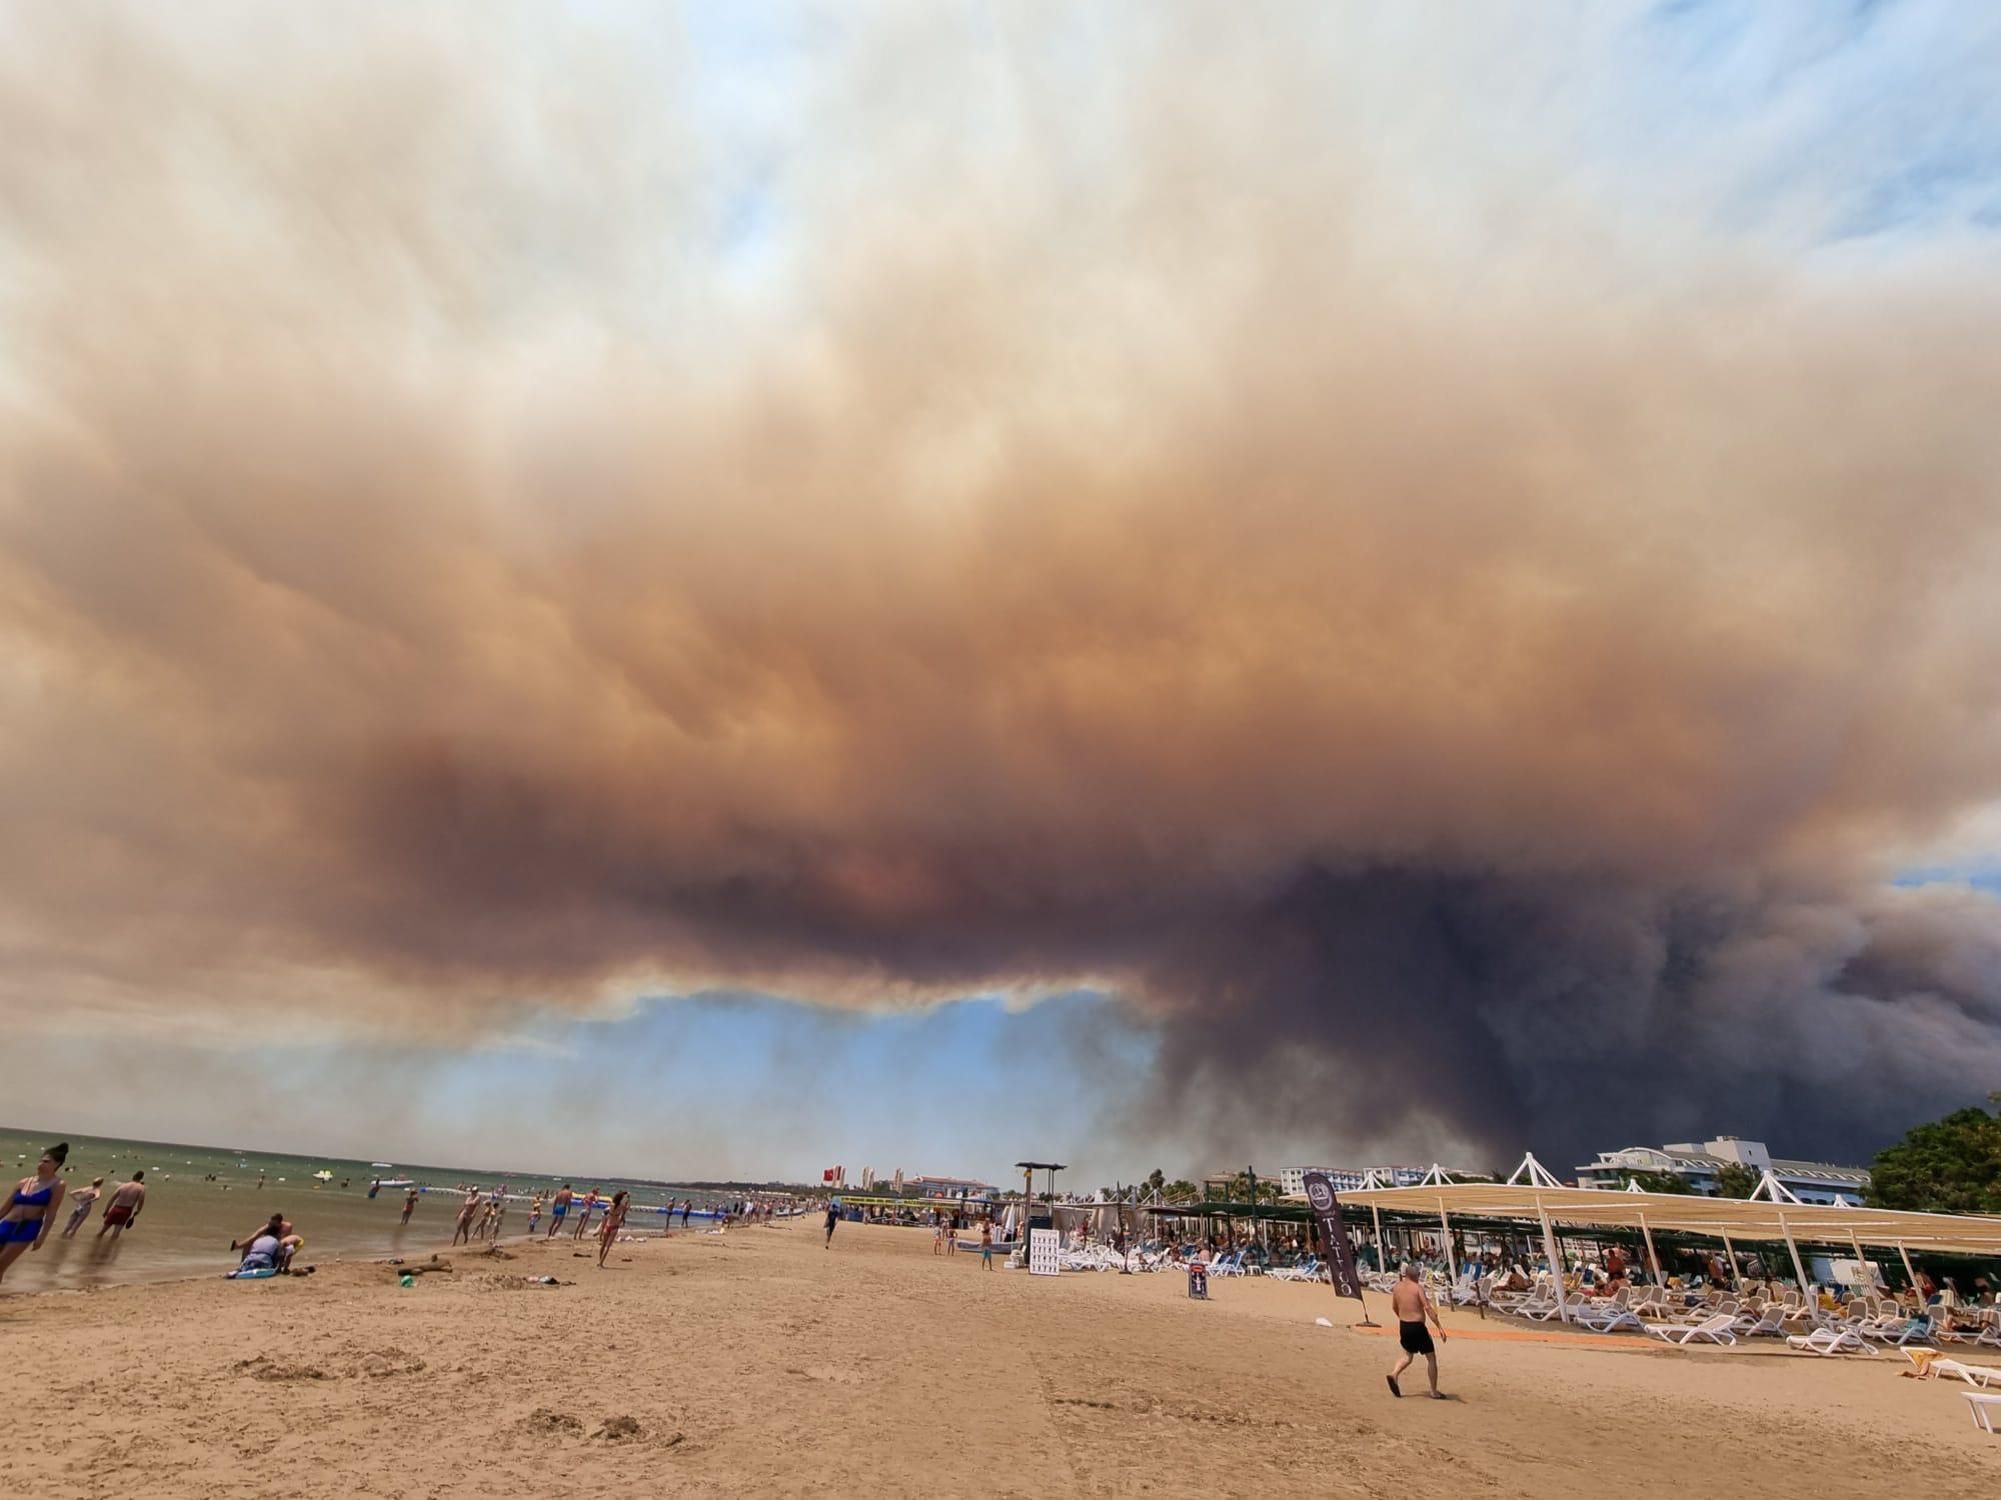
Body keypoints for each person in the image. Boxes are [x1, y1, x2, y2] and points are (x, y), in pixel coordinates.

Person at [0, 1144, 69, 1281]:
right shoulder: (24, 1182)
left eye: (46, 1161)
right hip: (7, 1223)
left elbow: (51, 1212)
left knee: (1, 1264)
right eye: (41, 1160)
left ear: (57, 1164)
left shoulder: (58, 1185)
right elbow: (5, 1208)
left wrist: (42, 1236)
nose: (41, 1164)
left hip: (27, 1227)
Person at [1387, 1264, 1447, 1399]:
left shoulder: (1397, 1287)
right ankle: (1433, 1391)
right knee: (1431, 1358)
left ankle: (1394, 1374)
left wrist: (1402, 1318)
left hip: (1404, 1325)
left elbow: (1394, 1307)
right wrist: (1439, 1327)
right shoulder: (1417, 1288)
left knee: (1407, 1356)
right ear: (1416, 1276)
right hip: (1418, 1326)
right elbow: (1427, 1308)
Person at [96, 1169, 146, 1241]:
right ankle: (109, 1249)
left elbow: (112, 1198)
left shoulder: (124, 1185)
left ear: (133, 1176)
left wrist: (106, 1210)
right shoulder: (141, 1188)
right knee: (116, 1233)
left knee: (102, 1231)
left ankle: (95, 1246)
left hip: (116, 1208)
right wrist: (138, 1211)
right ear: (141, 1178)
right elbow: (141, 1202)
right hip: (126, 1211)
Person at [596, 1191, 629, 1268]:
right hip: (615, 1226)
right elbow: (626, 1209)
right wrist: (628, 1199)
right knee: (608, 1246)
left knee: (603, 1245)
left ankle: (600, 1261)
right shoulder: (621, 1206)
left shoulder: (611, 1204)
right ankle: (601, 1262)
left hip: (608, 1225)